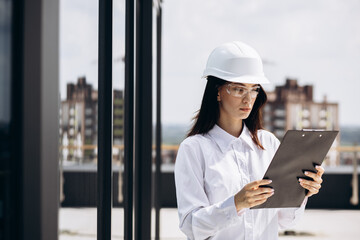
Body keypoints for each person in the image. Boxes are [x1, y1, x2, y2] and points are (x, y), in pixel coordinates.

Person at [174, 41, 324, 240]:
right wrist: (235, 204)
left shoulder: (268, 143)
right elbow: (191, 226)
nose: (248, 99)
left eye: (253, 89)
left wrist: (301, 193)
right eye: (238, 89)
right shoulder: (194, 149)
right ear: (217, 91)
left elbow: (286, 220)